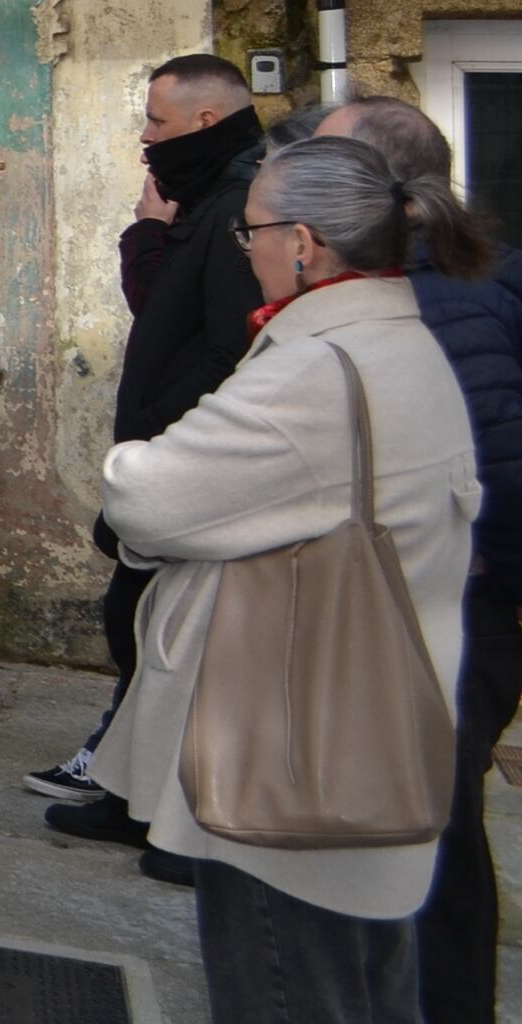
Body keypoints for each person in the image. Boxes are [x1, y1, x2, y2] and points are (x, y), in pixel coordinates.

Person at [95, 134, 485, 1022]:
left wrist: (127, 463)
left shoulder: (316, 370)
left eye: (251, 232)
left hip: (292, 761)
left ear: (303, 243)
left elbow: (150, 497)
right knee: (370, 990)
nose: (248, 249)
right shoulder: (401, 340)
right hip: (368, 741)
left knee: (285, 989)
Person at [320, 95, 522, 1024]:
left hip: (437, 608)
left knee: (429, 839)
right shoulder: (433, 278)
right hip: (414, 603)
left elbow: (502, 459)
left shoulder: (441, 297)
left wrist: (467, 557)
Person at [35, 55, 267, 841]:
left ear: (206, 122)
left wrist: (165, 441)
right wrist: (150, 232)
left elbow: (222, 346)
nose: (145, 136)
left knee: (156, 628)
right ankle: (134, 789)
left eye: (157, 122)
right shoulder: (205, 196)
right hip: (166, 452)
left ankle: (160, 806)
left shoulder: (239, 203)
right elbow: (163, 306)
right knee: (138, 622)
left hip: (186, 460)